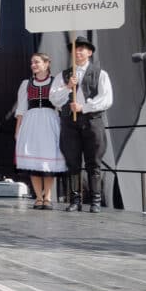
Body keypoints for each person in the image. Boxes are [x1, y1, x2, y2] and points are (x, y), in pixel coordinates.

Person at [49, 36, 113, 213]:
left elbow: (106, 99)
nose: (77, 52)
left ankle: (95, 201)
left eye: (81, 49)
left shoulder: (100, 74)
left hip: (92, 122)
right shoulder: (64, 75)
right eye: (75, 49)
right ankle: (75, 200)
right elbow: (54, 98)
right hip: (70, 123)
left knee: (94, 162)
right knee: (73, 163)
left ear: (89, 52)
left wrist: (84, 107)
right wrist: (68, 87)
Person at [15, 53, 66, 210]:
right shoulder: (26, 84)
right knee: (33, 160)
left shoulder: (55, 82)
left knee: (48, 161)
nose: (33, 65)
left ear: (46, 63)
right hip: (31, 122)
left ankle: (48, 197)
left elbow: (60, 104)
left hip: (50, 122)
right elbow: (21, 109)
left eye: (37, 62)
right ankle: (38, 197)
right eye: (32, 62)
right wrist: (17, 130)